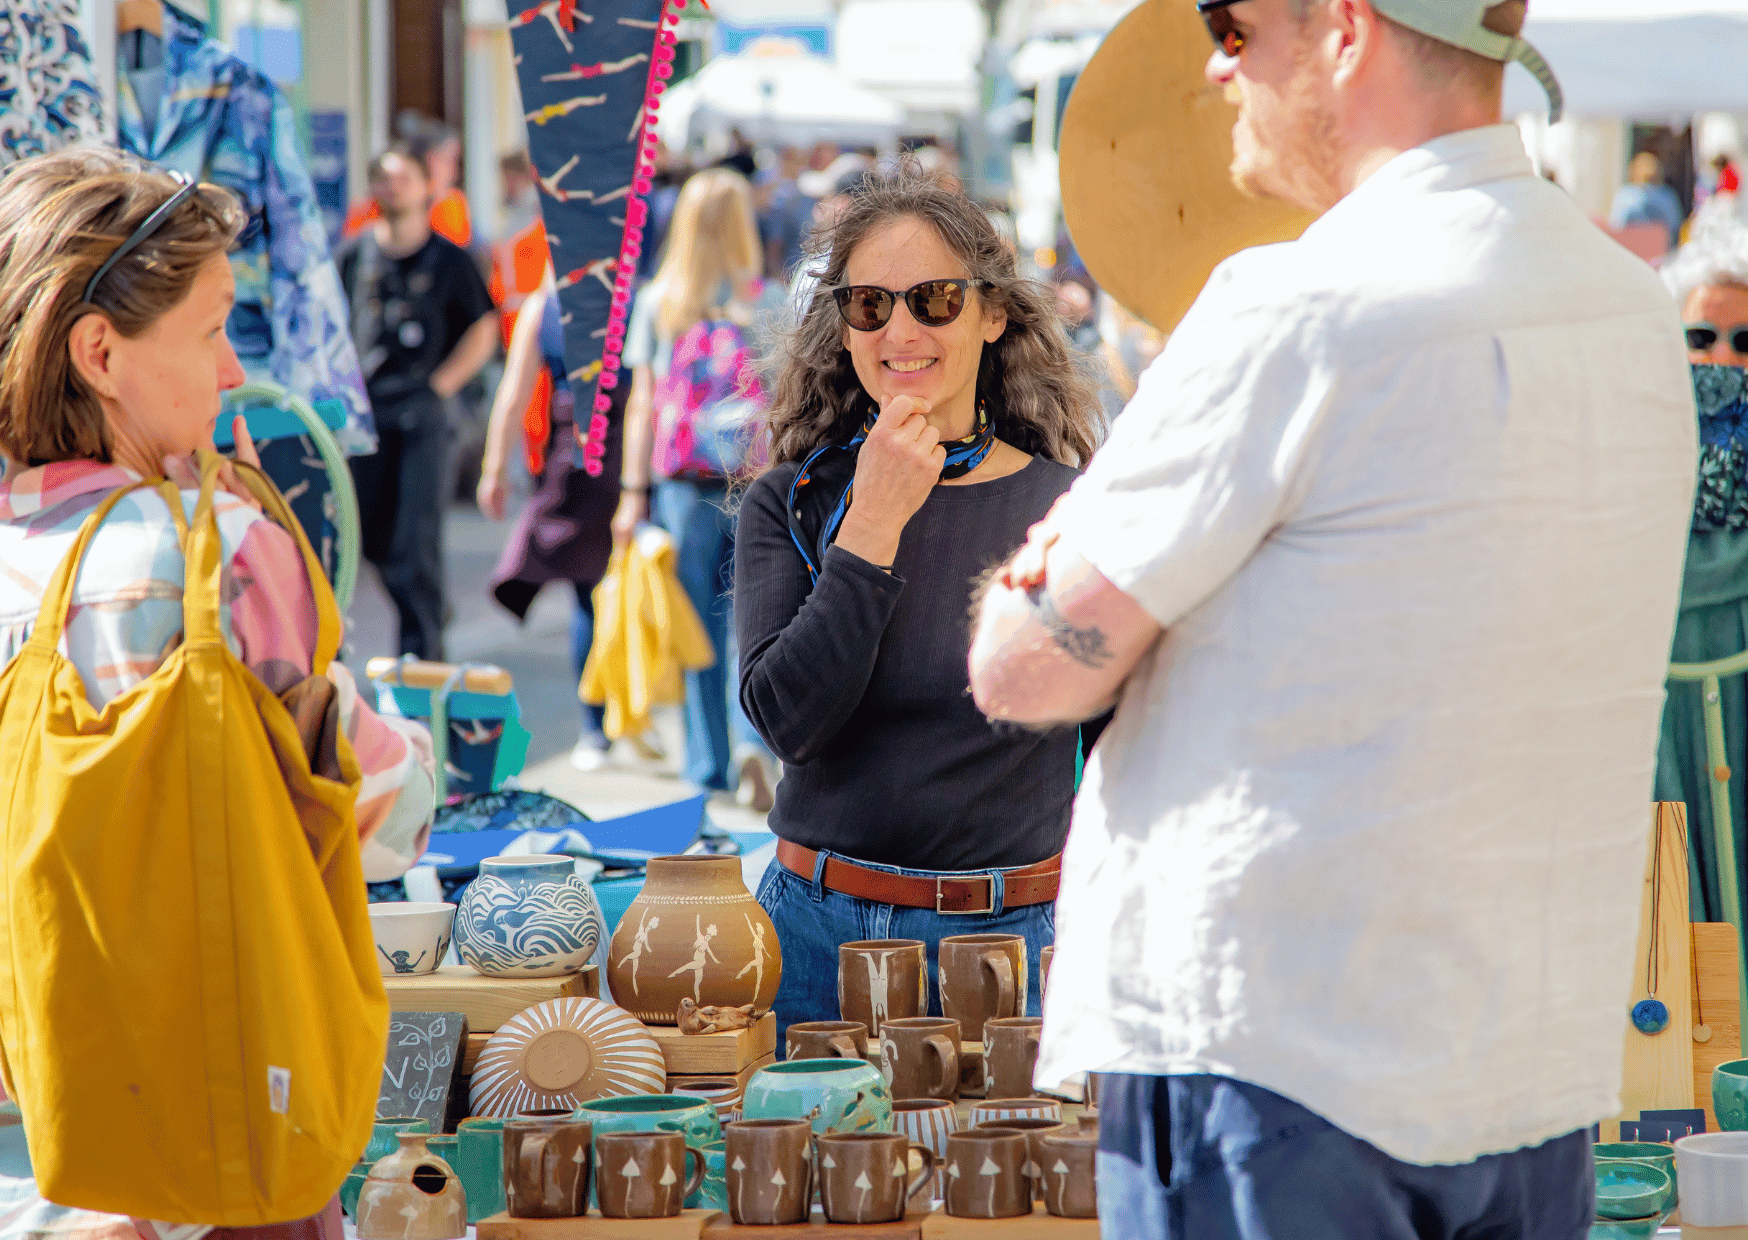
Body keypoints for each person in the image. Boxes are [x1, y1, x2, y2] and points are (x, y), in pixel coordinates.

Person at [967, 2, 1696, 1236]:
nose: (1213, 62)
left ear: (1346, 30)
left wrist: (1060, 541)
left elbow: (1020, 666)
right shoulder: (1628, 313)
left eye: (1233, 24)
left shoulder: (1297, 306)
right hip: (1523, 1062)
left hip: (1275, 1062)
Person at [0, 147, 435, 1240]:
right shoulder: (214, 551)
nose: (236, 370)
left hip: (40, 1124)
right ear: (100, 351)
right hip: (210, 1133)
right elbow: (382, 814)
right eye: (212, 329)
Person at [735, 166, 1104, 1039]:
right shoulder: (791, 501)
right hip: (814, 937)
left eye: (934, 299)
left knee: (1009, 1179)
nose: (900, 328)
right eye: (869, 304)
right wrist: (871, 525)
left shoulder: (1072, 507)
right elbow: (789, 721)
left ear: (992, 312)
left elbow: (1128, 737)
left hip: (1012, 946)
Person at [615, 168, 784, 804]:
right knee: (756, 621)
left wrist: (633, 494)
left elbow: (645, 406)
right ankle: (752, 747)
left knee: (695, 626)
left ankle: (707, 766)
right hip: (755, 484)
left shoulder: (662, 302)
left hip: (683, 485)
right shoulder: (765, 300)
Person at [339, 143, 499, 660]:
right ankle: (428, 609)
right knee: (368, 539)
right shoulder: (354, 256)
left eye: (403, 177)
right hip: (363, 419)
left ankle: (425, 657)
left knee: (416, 546)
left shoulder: (449, 259)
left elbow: (483, 330)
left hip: (422, 419)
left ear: (425, 186)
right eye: (383, 179)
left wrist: (440, 386)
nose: (393, 188)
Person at [478, 277, 621, 769]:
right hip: (627, 464)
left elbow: (514, 394)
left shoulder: (548, 304)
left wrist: (494, 469)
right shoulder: (634, 293)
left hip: (576, 461)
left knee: (589, 596)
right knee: (619, 592)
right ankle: (617, 719)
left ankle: (596, 727)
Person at [1610, 150, 1687, 249]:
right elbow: (1675, 226)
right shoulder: (1668, 194)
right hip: (1660, 253)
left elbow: (1615, 226)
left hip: (1630, 250)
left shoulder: (1624, 194)